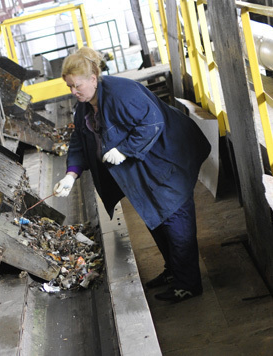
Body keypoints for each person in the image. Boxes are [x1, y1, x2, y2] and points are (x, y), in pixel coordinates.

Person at [53, 47, 211, 303]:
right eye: (69, 86)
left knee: (174, 218)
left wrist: (124, 150)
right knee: (155, 218)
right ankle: (174, 272)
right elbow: (79, 141)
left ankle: (189, 284)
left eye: (76, 85)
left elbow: (153, 123)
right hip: (142, 170)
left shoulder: (121, 93)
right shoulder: (84, 105)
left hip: (166, 161)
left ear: (93, 78)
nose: (73, 92)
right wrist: (71, 175)